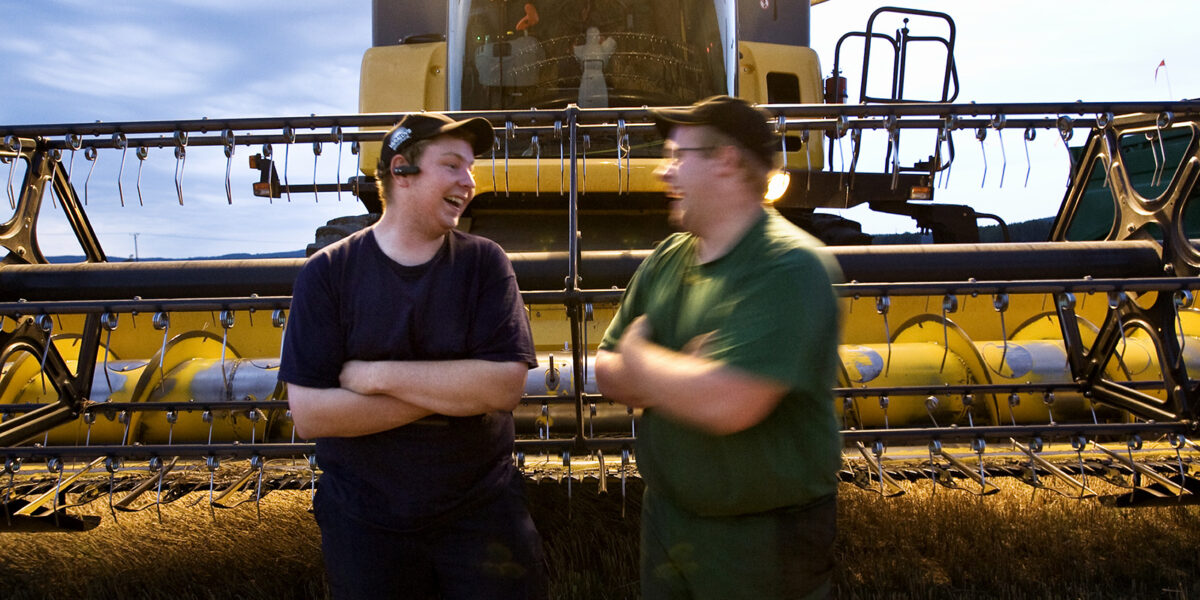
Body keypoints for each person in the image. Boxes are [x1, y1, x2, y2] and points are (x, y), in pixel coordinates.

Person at [279, 112, 548, 599]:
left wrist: (376, 375)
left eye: (470, 168)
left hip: (482, 517)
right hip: (366, 526)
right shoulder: (327, 275)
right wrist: (456, 393)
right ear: (402, 170)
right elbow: (313, 415)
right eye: (451, 166)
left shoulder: (485, 263)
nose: (468, 182)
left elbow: (505, 387)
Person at [594, 95, 844, 600]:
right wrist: (685, 372)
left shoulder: (790, 267)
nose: (665, 173)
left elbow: (729, 402)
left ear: (726, 162)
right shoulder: (669, 257)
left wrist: (644, 359)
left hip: (763, 544)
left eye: (678, 156)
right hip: (667, 520)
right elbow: (604, 371)